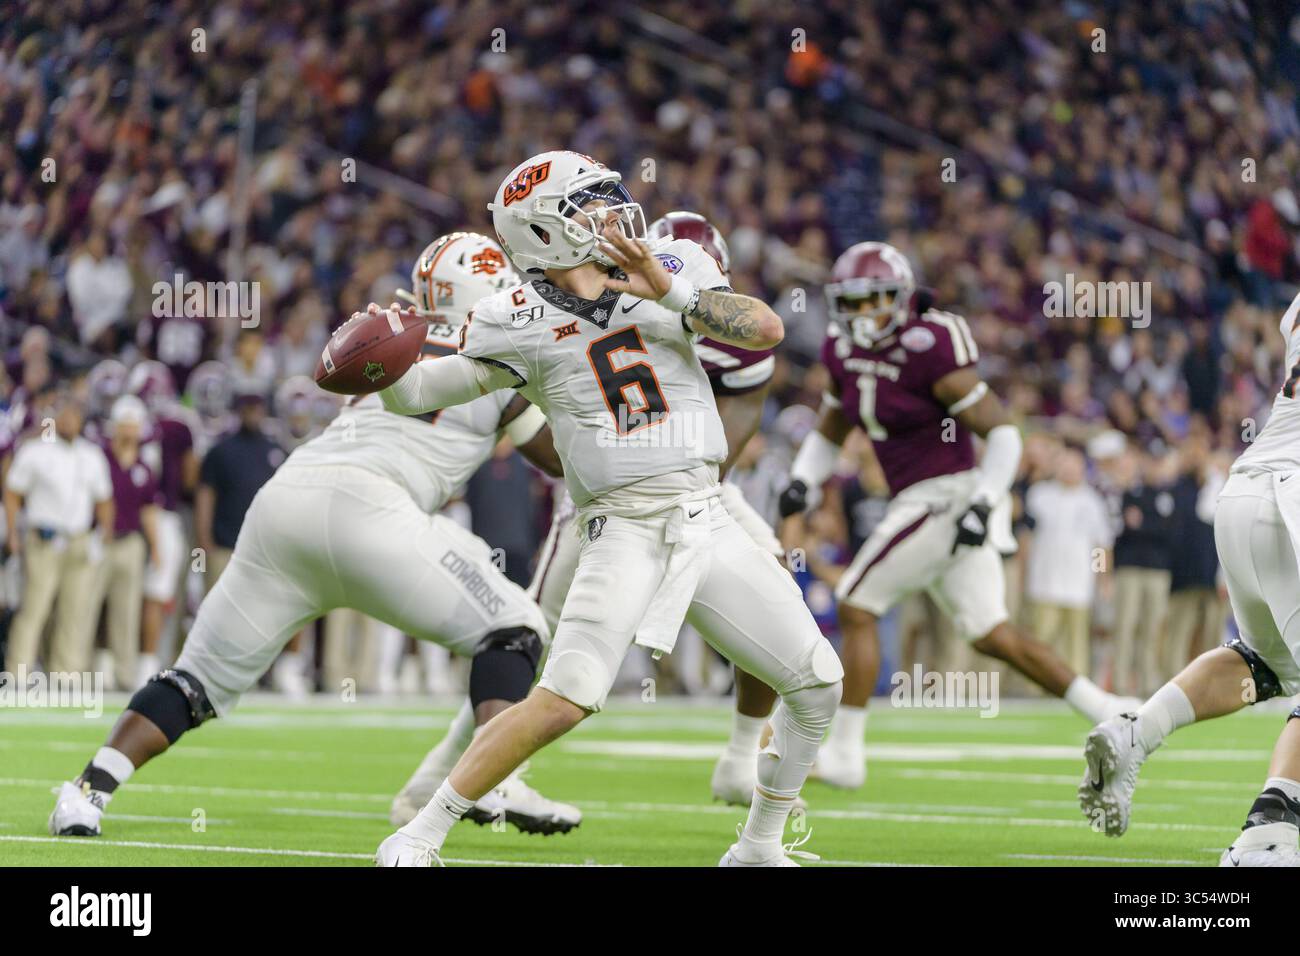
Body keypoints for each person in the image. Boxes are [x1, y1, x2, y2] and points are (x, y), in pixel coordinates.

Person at [376, 151, 842, 867]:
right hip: (618, 526)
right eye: (587, 204)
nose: (613, 212)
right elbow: (421, 392)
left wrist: (671, 293)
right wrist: (380, 366)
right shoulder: (514, 317)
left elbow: (763, 329)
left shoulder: (672, 261)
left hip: (703, 511)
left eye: (609, 196)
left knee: (817, 682)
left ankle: (758, 846)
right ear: (543, 233)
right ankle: (420, 832)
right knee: (566, 694)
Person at [48, 232, 580, 840]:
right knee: (516, 629)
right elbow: (559, 460)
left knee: (194, 680)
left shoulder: (397, 333)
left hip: (288, 499)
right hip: (376, 510)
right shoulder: (496, 350)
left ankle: (86, 792)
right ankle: (496, 776)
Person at [777, 241, 1131, 790]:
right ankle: (1106, 707)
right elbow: (831, 429)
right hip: (918, 500)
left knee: (855, 602)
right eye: (851, 303)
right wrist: (803, 478)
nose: (862, 315)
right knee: (992, 632)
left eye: (874, 302)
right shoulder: (840, 351)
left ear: (899, 300)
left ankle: (846, 754)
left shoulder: (930, 344)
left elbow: (1007, 434)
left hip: (947, 494)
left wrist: (987, 503)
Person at [522, 210, 787, 806]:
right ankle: (485, 759)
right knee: (529, 631)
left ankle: (741, 757)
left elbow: (738, 422)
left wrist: (689, 487)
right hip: (610, 496)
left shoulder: (726, 322)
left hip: (700, 486)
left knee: (775, 586)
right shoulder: (600, 309)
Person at [1079, 290, 1300, 867]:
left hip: (1245, 489)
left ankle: (1137, 731)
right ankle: (1268, 836)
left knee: (1266, 663)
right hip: (1291, 500)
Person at [3, 387, 113, 677]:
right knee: (34, 608)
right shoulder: (36, 450)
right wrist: (13, 532)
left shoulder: (92, 455)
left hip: (79, 539)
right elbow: (13, 493)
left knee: (74, 611)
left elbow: (104, 501)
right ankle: (18, 672)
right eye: (63, 415)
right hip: (44, 539)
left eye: (74, 416)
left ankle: (66, 674)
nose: (68, 421)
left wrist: (102, 537)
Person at [1023, 445, 1114, 679]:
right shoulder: (1040, 495)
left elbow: (1100, 545)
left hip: (1079, 583)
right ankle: (1038, 684)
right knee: (1041, 637)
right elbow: (1027, 538)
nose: (1069, 469)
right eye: (1064, 463)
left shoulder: (1092, 501)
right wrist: (1024, 570)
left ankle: (1075, 685)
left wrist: (1101, 578)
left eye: (1074, 465)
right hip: (1044, 579)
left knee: (1076, 642)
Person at [90, 394, 160, 690]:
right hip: (100, 541)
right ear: (115, 426)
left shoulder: (144, 466)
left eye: (134, 425)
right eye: (125, 425)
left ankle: (124, 673)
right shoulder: (98, 457)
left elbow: (148, 511)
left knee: (126, 610)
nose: (130, 431)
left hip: (130, 541)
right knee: (88, 606)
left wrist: (156, 548)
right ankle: (83, 669)